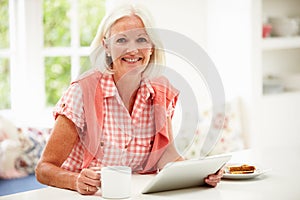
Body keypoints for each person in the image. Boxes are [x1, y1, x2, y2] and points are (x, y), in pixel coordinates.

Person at [35, 3, 224, 195]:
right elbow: (44, 168)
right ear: (106, 47)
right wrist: (76, 180)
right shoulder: (83, 92)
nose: (132, 50)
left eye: (141, 39)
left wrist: (201, 174)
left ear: (151, 47)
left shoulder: (160, 92)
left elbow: (167, 156)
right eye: (122, 40)